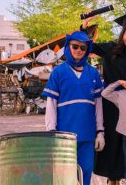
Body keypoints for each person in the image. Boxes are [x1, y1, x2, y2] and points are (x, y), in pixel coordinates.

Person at [82, 13, 126, 184]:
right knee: (112, 141)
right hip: (110, 103)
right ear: (122, 33)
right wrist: (84, 28)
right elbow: (88, 46)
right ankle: (112, 180)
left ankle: (123, 178)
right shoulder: (110, 49)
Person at [42, 31, 105, 185]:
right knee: (65, 176)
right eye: (75, 46)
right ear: (68, 47)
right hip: (64, 135)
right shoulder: (58, 72)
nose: (78, 50)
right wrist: (51, 131)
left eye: (83, 48)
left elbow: (98, 105)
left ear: (87, 51)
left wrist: (100, 132)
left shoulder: (93, 73)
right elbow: (51, 105)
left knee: (86, 174)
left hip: (88, 135)